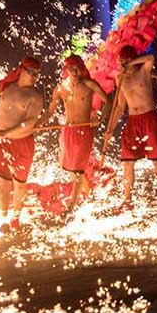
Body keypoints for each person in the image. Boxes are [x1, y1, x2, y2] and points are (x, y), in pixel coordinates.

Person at [104, 46, 157, 211]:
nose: (123, 64)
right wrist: (110, 128)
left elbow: (150, 58)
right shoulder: (119, 78)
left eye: (126, 60)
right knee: (127, 162)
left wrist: (131, 63)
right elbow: (120, 106)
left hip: (149, 118)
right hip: (133, 121)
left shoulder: (144, 71)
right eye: (122, 61)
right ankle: (127, 200)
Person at [39, 55, 109, 213]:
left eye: (77, 68)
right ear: (67, 70)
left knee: (77, 170)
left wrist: (101, 118)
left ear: (82, 68)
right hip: (68, 132)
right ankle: (89, 197)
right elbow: (50, 111)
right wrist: (37, 124)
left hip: (84, 131)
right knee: (72, 169)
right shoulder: (61, 88)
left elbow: (107, 101)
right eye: (71, 69)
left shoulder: (89, 84)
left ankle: (72, 206)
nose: (75, 72)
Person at [0, 57, 44, 230]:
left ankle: (16, 218)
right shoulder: (7, 87)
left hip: (22, 144)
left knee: (19, 183)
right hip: (2, 143)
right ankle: (1, 218)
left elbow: (29, 123)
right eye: (31, 72)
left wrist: (6, 133)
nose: (34, 77)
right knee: (2, 181)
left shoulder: (35, 96)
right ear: (21, 70)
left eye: (37, 74)